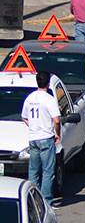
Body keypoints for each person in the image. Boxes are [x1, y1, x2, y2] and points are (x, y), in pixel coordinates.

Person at [21, 72, 60, 205]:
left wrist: (32, 126)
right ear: (48, 84)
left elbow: (24, 117)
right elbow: (57, 120)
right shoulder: (49, 99)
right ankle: (46, 202)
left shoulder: (30, 98)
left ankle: (33, 201)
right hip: (46, 138)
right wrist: (57, 133)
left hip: (33, 138)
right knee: (48, 171)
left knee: (33, 172)